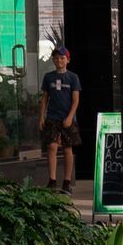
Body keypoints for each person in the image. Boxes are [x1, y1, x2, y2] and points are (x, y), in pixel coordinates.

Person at [39, 43, 81, 190]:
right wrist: (42, 117)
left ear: (68, 60)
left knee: (68, 148)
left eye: (62, 58)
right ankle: (52, 180)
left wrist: (70, 117)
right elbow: (44, 98)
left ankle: (67, 181)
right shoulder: (48, 77)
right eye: (56, 58)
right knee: (51, 146)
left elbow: (76, 100)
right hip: (52, 117)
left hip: (67, 118)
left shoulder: (73, 78)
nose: (59, 61)